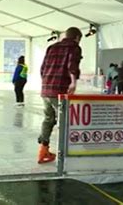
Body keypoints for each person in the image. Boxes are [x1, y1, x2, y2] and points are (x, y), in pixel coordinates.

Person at [38, 27, 82, 164]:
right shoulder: (74, 47)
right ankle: (65, 154)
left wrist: (46, 83)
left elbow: (42, 68)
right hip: (60, 90)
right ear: (77, 38)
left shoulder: (52, 47)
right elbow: (72, 65)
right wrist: (73, 83)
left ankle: (43, 150)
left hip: (46, 89)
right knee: (65, 121)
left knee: (48, 119)